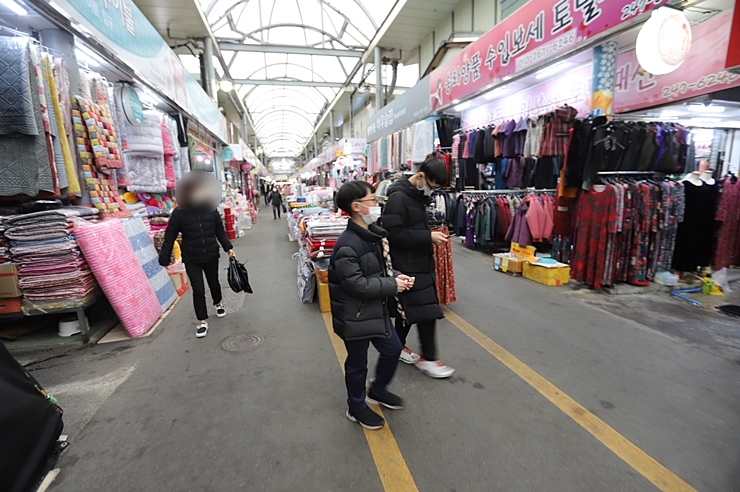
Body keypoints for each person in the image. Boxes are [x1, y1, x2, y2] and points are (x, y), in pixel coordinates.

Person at [329, 181, 415, 430]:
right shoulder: (347, 244)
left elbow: (378, 270)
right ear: (357, 207)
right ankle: (356, 407)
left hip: (374, 311)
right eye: (373, 200)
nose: (377, 205)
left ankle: (377, 390)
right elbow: (356, 285)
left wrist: (397, 277)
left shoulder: (371, 235)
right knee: (357, 365)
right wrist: (392, 286)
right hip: (354, 316)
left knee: (393, 349)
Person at [381, 158, 455, 378]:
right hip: (408, 264)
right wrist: (427, 236)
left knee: (409, 311)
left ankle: (396, 347)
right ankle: (429, 359)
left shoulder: (415, 195)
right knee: (425, 312)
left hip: (418, 262)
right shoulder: (399, 197)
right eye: (431, 185)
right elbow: (393, 234)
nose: (432, 191)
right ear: (421, 176)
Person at [159, 171, 236, 339]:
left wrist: (228, 248)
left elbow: (220, 232)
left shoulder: (211, 210)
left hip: (211, 254)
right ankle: (202, 321)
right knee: (198, 289)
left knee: (214, 283)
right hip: (192, 257)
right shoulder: (179, 214)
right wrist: (164, 259)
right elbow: (169, 236)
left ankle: (218, 303)